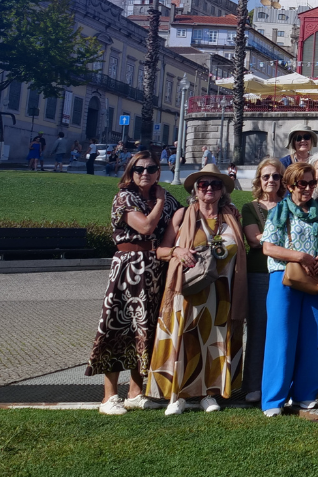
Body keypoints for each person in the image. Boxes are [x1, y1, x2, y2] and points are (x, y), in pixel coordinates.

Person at [147, 164, 247, 415]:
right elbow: (160, 250)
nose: (210, 189)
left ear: (223, 190)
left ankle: (209, 393)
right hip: (189, 290)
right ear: (195, 190)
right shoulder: (183, 215)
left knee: (215, 342)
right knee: (185, 339)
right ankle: (177, 395)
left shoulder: (231, 218)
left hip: (221, 293)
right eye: (204, 185)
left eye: (215, 184)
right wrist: (176, 251)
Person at [87, 151, 181, 415]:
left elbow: (187, 212)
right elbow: (146, 227)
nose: (145, 173)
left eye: (151, 168)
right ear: (130, 170)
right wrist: (161, 200)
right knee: (119, 325)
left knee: (144, 328)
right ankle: (108, 397)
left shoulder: (163, 197)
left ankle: (135, 392)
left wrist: (225, 208)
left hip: (153, 267)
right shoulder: (125, 196)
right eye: (139, 169)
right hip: (129, 266)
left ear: (158, 171)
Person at [260, 162, 318, 416]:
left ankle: (305, 394)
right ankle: (274, 399)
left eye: (311, 183)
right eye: (302, 184)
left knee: (313, 336)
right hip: (283, 278)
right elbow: (268, 247)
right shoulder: (279, 212)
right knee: (280, 338)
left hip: (314, 279)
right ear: (290, 185)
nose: (307, 188)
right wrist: (301, 257)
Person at [241, 157, 285, 403]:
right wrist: (281, 240)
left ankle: (277, 384)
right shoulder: (250, 207)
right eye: (266, 176)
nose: (271, 180)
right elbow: (253, 240)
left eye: (276, 176)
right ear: (259, 179)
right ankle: (253, 384)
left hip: (284, 272)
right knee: (258, 329)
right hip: (259, 273)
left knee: (280, 330)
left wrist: (269, 239)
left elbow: (264, 238)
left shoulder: (289, 203)